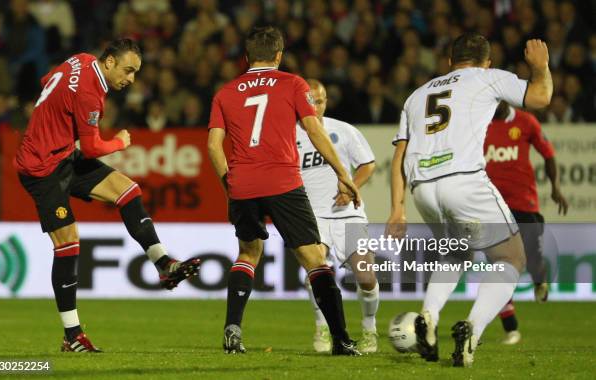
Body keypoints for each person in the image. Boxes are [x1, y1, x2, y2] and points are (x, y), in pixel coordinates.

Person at [14, 39, 201, 353]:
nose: (131, 79)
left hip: (61, 155)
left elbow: (48, 81)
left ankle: (164, 265)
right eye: (128, 70)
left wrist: (54, 119)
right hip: (41, 168)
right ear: (110, 62)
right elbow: (92, 147)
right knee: (68, 242)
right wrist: (119, 142)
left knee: (127, 190)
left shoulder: (81, 60)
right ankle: (72, 335)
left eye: (136, 73)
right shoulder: (90, 93)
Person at [386, 33, 553, 367]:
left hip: (423, 189)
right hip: (462, 180)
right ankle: (472, 331)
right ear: (487, 62)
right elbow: (541, 97)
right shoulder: (488, 78)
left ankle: (428, 319)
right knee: (511, 257)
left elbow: (398, 156)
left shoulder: (417, 95)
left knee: (456, 254)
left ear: (449, 60)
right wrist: (541, 67)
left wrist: (397, 207)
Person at [207, 26, 361, 356]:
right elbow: (314, 130)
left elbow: (213, 145)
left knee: (247, 254)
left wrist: (227, 182)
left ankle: (233, 328)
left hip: (243, 184)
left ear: (246, 57)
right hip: (283, 182)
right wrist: (342, 172)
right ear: (279, 55)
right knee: (315, 259)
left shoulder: (226, 92)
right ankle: (341, 340)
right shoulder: (293, 83)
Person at [298, 79, 380, 353]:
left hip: (349, 216)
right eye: (309, 101)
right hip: (312, 218)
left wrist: (351, 186)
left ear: (326, 102)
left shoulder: (343, 131)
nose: (315, 106)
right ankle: (322, 327)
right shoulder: (290, 135)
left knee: (366, 276)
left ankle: (370, 329)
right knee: (316, 273)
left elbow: (368, 164)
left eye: (319, 101)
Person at [485, 101, 568, 345]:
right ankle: (511, 329)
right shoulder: (478, 122)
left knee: (532, 258)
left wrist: (555, 188)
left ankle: (539, 279)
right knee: (499, 266)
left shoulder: (526, 122)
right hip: (491, 206)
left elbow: (548, 155)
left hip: (524, 203)